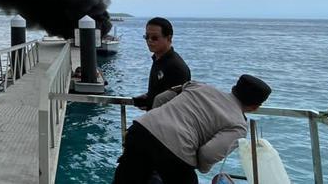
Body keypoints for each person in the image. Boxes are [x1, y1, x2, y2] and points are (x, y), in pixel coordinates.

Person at [113, 75, 272, 184]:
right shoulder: (238, 125)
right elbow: (208, 154)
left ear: (234, 88)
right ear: (255, 107)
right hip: (175, 150)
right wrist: (198, 166)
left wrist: (156, 126)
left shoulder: (199, 86)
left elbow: (161, 98)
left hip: (141, 129)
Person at [132, 18, 190, 111]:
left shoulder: (175, 67)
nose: (149, 41)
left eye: (154, 38)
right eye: (147, 37)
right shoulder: (158, 59)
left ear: (169, 38)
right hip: (155, 117)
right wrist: (149, 97)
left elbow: (176, 103)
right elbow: (162, 92)